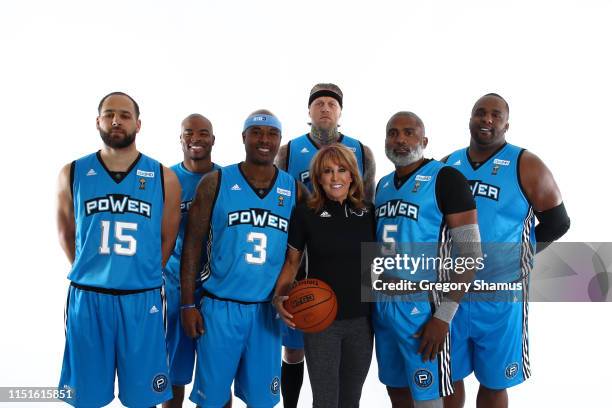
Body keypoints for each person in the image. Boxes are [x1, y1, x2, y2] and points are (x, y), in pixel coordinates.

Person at [443, 94, 570, 408]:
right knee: (448, 378)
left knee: (495, 381)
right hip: (452, 293)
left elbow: (558, 222)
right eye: (480, 112)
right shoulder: (448, 164)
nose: (487, 119)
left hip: (500, 295)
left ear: (506, 124)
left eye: (495, 114)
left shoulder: (525, 163)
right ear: (470, 118)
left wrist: (519, 254)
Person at [57, 91, 181, 407]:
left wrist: (141, 272)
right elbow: (66, 231)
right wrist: (92, 269)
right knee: (85, 397)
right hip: (89, 297)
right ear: (97, 121)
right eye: (109, 114)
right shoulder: (72, 172)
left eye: (125, 115)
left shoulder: (163, 176)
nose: (116, 120)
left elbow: (168, 237)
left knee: (143, 398)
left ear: (138, 124)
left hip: (142, 299)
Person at [180, 110, 307, 408]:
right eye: (256, 133)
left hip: (266, 312)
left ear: (279, 141)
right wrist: (187, 303)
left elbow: (301, 254)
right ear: (244, 138)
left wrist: (298, 296)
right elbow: (192, 247)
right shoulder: (215, 182)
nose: (264, 139)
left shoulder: (294, 191)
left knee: (262, 401)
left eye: (272, 134)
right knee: (213, 401)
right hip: (220, 307)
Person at [274, 83, 376, 408]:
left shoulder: (369, 212)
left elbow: (378, 263)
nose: (335, 176)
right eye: (318, 103)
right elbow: (291, 260)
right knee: (319, 391)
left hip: (361, 317)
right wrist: (279, 294)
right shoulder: (304, 210)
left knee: (351, 400)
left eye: (332, 103)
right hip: (316, 304)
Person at [374, 112, 480, 408]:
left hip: (423, 304)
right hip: (383, 303)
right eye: (393, 133)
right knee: (396, 389)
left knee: (429, 396)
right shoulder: (382, 185)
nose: (400, 139)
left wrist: (443, 316)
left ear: (424, 140)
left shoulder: (445, 177)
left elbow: (471, 253)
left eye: (409, 132)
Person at [163, 114, 220, 408]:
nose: (195, 138)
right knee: (174, 376)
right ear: (180, 138)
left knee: (217, 381)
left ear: (213, 139)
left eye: (203, 133)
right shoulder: (167, 179)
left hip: (217, 290)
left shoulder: (226, 179)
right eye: (189, 132)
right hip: (175, 286)